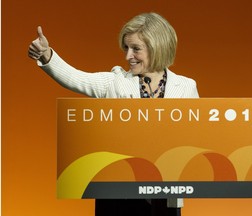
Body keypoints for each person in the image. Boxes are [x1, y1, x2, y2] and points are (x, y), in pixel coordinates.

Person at [28, 12, 199, 216]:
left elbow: (195, 135)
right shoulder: (114, 82)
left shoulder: (186, 87)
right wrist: (46, 55)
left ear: (157, 47)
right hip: (117, 192)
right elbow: (75, 78)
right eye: (126, 48)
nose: (128, 56)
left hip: (165, 193)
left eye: (136, 49)